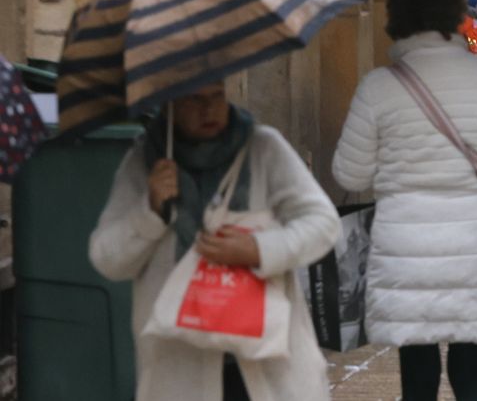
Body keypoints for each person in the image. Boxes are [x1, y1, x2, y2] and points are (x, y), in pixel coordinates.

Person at [333, 0, 477, 401]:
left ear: (397, 20)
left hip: (407, 253)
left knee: (418, 382)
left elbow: (350, 176)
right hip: (476, 248)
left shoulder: (378, 87)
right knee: (474, 378)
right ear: (456, 16)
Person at [89, 83, 340, 401]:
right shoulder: (145, 161)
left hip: (266, 360)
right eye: (194, 99)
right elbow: (107, 259)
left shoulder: (263, 148)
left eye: (217, 96)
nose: (209, 109)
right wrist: (150, 210)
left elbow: (323, 223)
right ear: (169, 105)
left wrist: (259, 249)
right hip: (181, 363)